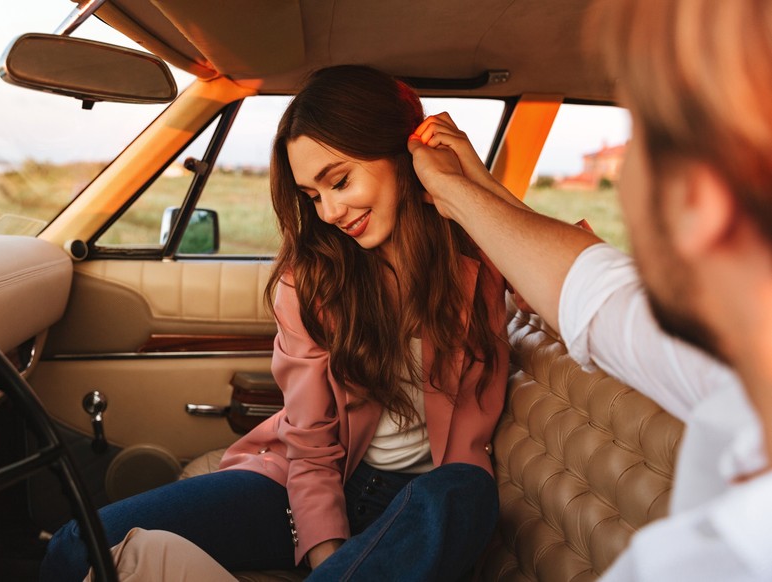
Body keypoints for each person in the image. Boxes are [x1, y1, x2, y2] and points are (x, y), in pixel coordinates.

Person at [41, 65, 510, 581]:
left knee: (465, 491)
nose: (329, 211)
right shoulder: (312, 280)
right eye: (313, 195)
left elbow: (571, 287)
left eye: (339, 180)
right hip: (311, 485)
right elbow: (310, 444)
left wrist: (475, 183)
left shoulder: (479, 251)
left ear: (404, 156)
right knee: (77, 544)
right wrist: (327, 559)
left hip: (424, 504)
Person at [406, 0, 772, 579]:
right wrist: (464, 189)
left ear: (696, 199)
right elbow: (589, 288)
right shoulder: (734, 368)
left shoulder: (707, 564)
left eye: (639, 133)